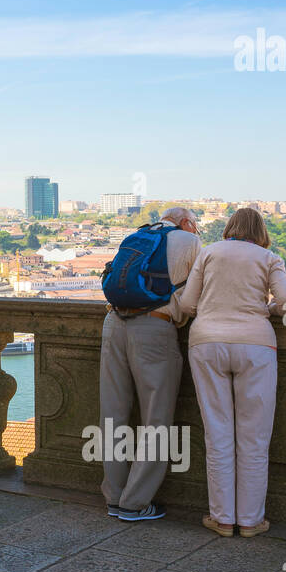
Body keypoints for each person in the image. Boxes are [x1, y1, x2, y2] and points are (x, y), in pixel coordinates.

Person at [175, 207, 286, 538]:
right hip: (256, 344)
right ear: (260, 231)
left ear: (229, 227)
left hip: (206, 343)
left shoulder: (209, 253)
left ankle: (222, 519)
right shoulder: (268, 257)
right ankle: (250, 521)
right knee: (254, 437)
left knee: (217, 434)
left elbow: (187, 304)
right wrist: (265, 309)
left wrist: (213, 311)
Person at [99, 206, 203, 522]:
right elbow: (193, 300)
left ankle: (114, 497)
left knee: (112, 414)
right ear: (187, 222)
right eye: (196, 225)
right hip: (154, 327)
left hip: (114, 323)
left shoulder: (136, 235)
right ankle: (136, 503)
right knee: (155, 417)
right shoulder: (188, 241)